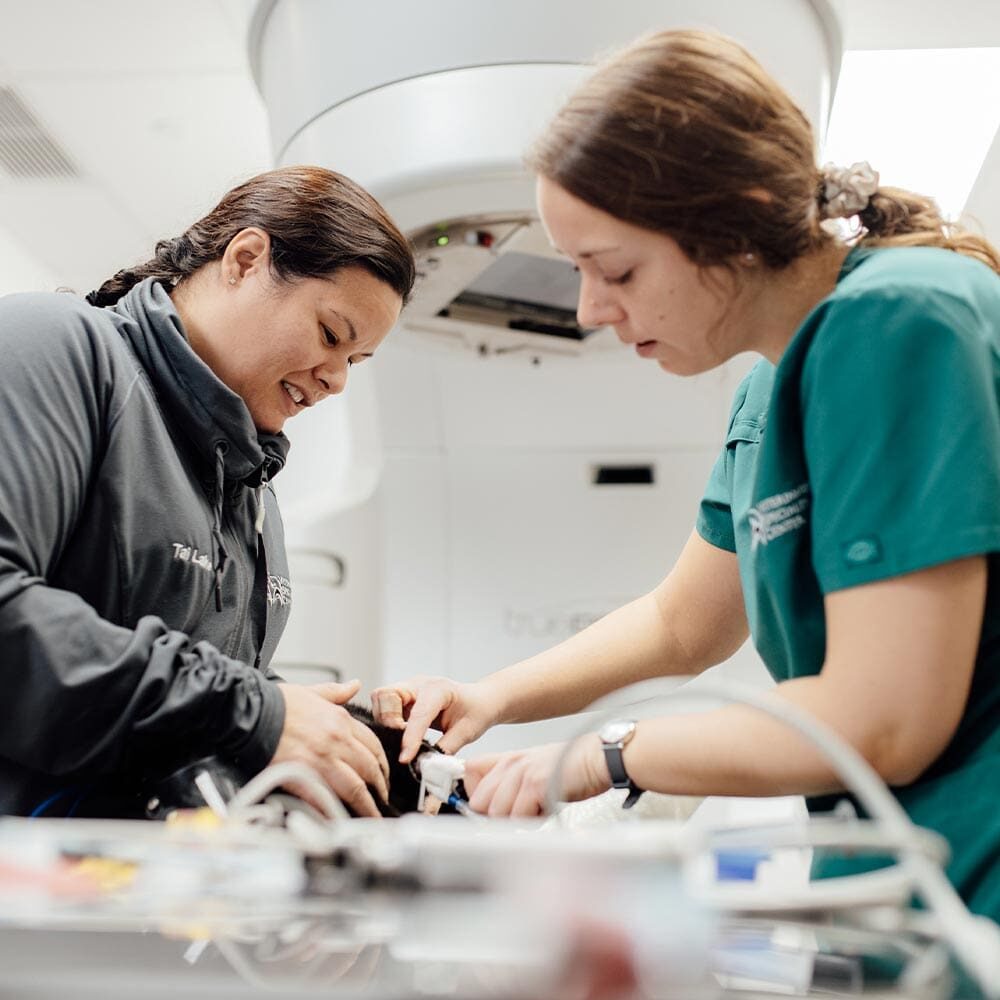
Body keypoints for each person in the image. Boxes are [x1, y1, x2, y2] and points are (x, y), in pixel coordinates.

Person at [372, 30, 1000, 920]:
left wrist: (610, 754)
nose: (590, 309)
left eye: (615, 269)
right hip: (906, 885)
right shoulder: (769, 389)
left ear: (734, 224)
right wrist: (492, 698)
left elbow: (886, 718)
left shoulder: (898, 323)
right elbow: (682, 623)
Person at [0, 165, 415, 819]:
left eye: (355, 362)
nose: (336, 379)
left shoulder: (249, 486)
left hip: (148, 891)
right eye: (332, 335)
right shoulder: (56, 347)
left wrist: (342, 734)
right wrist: (257, 712)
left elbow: (193, 701)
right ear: (245, 260)